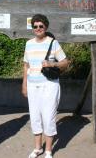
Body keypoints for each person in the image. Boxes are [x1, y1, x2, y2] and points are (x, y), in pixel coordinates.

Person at [22, 14, 69, 158]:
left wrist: (52, 63)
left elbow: (66, 62)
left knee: (48, 118)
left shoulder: (53, 43)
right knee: (35, 117)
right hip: (32, 85)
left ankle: (48, 150)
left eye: (41, 26)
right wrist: (24, 84)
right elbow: (26, 65)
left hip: (49, 86)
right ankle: (38, 148)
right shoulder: (28, 44)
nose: (38, 28)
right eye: (35, 26)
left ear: (46, 27)